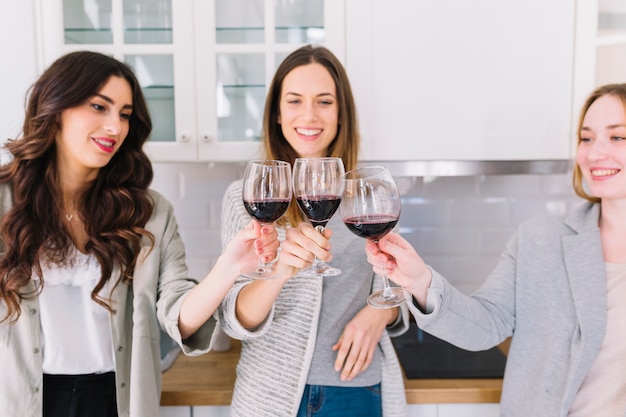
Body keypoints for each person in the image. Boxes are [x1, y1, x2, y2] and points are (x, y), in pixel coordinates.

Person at [0, 50, 279, 417]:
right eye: (99, 107)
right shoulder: (5, 203)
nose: (115, 126)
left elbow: (177, 314)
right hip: (23, 401)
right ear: (56, 106)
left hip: (116, 401)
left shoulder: (149, 213)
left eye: (125, 114)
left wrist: (228, 267)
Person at [364, 83, 626, 416]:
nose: (594, 153)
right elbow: (485, 327)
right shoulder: (540, 241)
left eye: (618, 137)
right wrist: (420, 282)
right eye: (586, 138)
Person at [217, 44, 409, 417]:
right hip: (269, 392)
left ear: (341, 114)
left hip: (355, 390)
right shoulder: (246, 196)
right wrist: (280, 272)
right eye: (294, 101)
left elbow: (396, 281)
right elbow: (235, 321)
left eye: (324, 101)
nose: (309, 115)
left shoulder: (366, 194)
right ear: (276, 112)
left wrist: (380, 313)